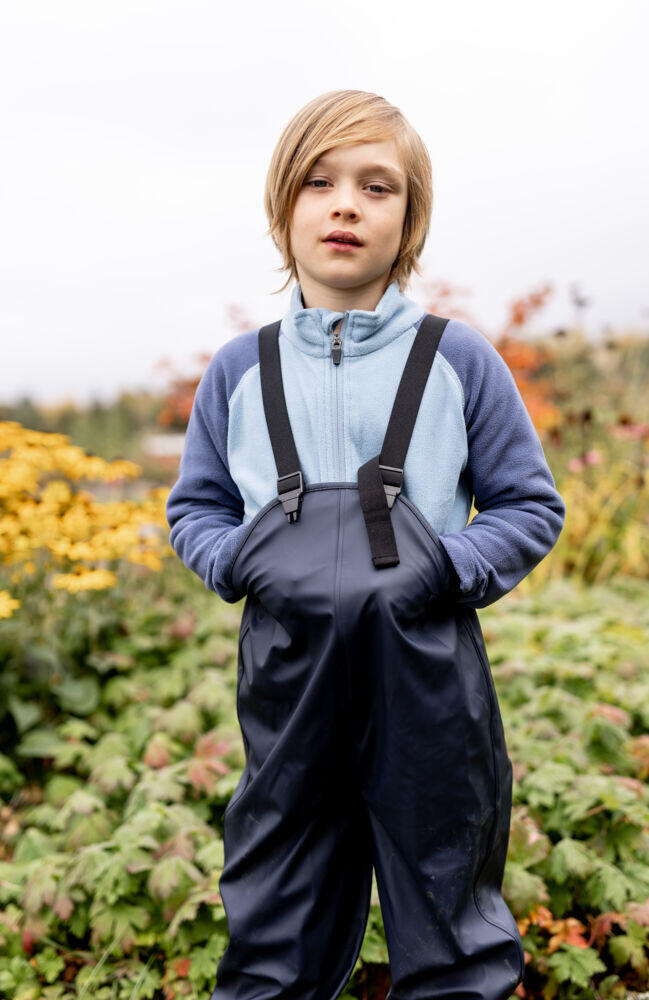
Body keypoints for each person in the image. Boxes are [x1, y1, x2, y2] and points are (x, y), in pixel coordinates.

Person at [166, 89, 566, 1000]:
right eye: (319, 182)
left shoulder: (459, 360)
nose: (345, 203)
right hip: (288, 674)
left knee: (446, 890)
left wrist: (446, 567)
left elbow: (526, 506)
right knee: (277, 897)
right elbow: (195, 508)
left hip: (423, 669)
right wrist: (236, 560)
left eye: (376, 187)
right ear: (284, 208)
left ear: (408, 221)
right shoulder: (238, 370)